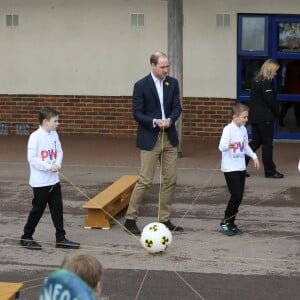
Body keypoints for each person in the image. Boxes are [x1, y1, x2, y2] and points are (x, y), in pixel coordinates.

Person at [124, 51, 183, 235]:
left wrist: (170, 120)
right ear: (153, 65)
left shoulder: (172, 83)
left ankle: (164, 219)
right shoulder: (141, 85)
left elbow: (177, 108)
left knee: (170, 179)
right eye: (162, 66)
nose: (166, 70)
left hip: (169, 137)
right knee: (145, 180)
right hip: (150, 137)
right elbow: (137, 113)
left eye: (167, 66)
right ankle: (130, 219)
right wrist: (154, 121)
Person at [20, 107, 80, 250]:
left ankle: (60, 238)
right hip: (41, 182)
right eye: (55, 121)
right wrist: (48, 166)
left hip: (54, 180)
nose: (57, 123)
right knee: (38, 209)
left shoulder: (54, 134)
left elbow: (59, 151)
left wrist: (57, 163)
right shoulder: (35, 136)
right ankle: (26, 236)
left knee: (57, 209)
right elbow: (32, 159)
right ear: (45, 121)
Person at [219, 103, 260, 236]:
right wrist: (228, 145)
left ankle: (231, 222)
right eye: (244, 117)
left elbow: (246, 146)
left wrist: (254, 157)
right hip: (230, 168)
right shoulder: (228, 129)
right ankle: (225, 222)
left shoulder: (243, 129)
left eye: (247, 117)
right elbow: (221, 146)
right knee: (236, 195)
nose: (246, 119)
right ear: (235, 117)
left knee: (239, 196)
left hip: (240, 167)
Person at [245, 59, 284, 178]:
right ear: (270, 70)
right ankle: (270, 171)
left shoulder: (256, 81)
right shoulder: (265, 83)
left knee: (255, 142)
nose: (276, 74)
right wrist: (278, 113)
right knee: (267, 144)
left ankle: (239, 167)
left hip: (255, 117)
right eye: (275, 71)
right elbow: (270, 101)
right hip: (264, 118)